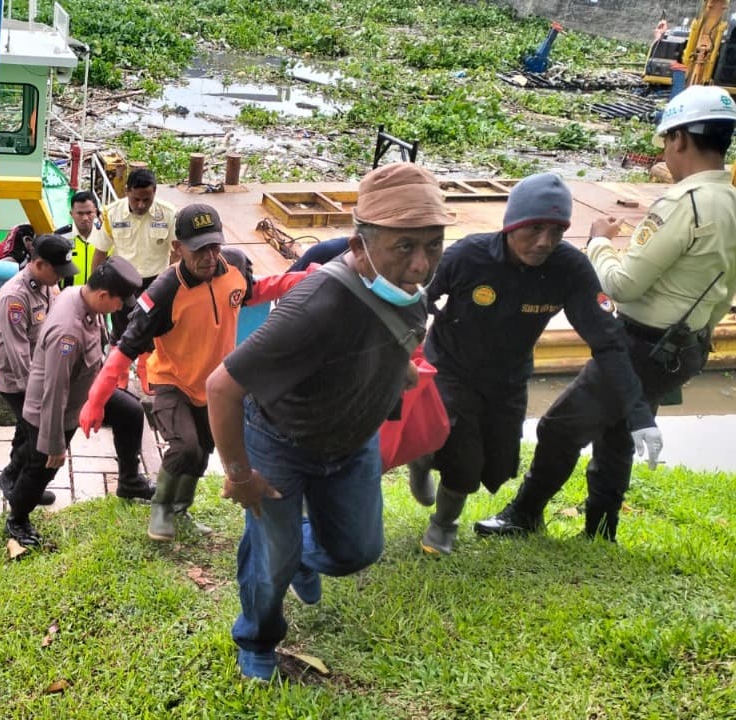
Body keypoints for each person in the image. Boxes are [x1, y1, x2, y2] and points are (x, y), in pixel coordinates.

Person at [205, 163, 452, 681]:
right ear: (360, 245)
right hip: (280, 443)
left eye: (433, 245)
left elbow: (390, 335)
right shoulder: (314, 303)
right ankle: (257, 638)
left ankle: (301, 557)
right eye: (403, 247)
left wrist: (400, 371)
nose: (421, 264)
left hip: (352, 444)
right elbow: (221, 387)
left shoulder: (409, 292)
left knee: (356, 551)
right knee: (271, 562)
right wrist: (240, 472)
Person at [475, 85, 736, 543]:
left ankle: (523, 515)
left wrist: (598, 241)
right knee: (616, 431)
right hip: (682, 348)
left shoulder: (685, 204)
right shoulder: (731, 204)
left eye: (665, 143)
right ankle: (600, 529)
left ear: (678, 139)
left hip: (641, 344)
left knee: (559, 428)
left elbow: (621, 284)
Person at [408, 173, 658, 556]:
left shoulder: (568, 269)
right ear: (511, 224)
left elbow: (607, 341)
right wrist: (403, 354)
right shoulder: (467, 256)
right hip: (452, 369)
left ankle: (426, 454)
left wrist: (640, 415)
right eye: (534, 228)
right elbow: (419, 302)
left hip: (508, 378)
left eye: (557, 231)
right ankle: (442, 523)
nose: (544, 242)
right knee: (465, 462)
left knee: (496, 466)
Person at [80, 203, 310, 542]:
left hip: (216, 385)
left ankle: (181, 509)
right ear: (177, 248)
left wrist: (308, 278)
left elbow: (255, 291)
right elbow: (124, 349)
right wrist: (96, 401)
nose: (209, 256)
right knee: (185, 447)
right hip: (172, 381)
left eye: (214, 246)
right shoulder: (163, 293)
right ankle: (160, 507)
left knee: (204, 450)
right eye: (199, 249)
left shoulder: (233, 265)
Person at [0, 234, 155, 508]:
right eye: (57, 271)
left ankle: (129, 480)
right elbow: (19, 355)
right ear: (40, 264)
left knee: (129, 411)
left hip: (55, 370)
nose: (61, 277)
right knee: (37, 440)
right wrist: (42, 418)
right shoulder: (14, 298)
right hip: (18, 377)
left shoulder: (53, 288)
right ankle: (15, 486)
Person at [4, 256, 142, 546]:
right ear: (104, 296)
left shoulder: (79, 295)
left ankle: (131, 481)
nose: (120, 308)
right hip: (53, 410)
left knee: (131, 411)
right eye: (119, 303)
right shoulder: (68, 331)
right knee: (43, 466)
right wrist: (54, 442)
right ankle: (17, 518)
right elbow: (54, 390)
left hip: (85, 391)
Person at [89, 167, 177, 343]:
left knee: (153, 336)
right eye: (136, 199)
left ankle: (146, 369)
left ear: (155, 192)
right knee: (121, 334)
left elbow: (176, 253)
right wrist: (94, 288)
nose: (141, 205)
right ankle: (119, 368)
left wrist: (171, 286)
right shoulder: (110, 214)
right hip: (122, 282)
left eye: (147, 200)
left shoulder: (168, 214)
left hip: (155, 283)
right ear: (127, 191)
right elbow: (100, 252)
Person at [61, 190, 102, 287]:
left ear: (95, 212)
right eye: (80, 213)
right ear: (71, 214)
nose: (85, 218)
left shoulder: (105, 236)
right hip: (67, 298)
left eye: (89, 213)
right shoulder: (60, 237)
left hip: (98, 297)